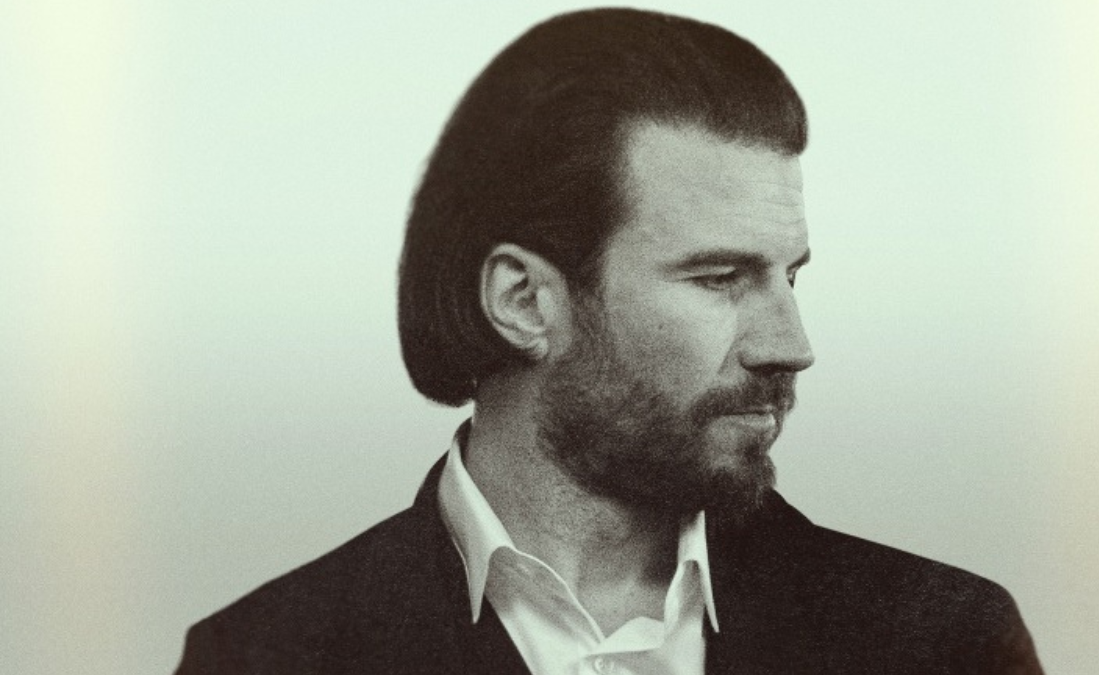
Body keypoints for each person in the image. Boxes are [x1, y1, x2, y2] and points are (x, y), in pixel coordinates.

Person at [176, 8, 1042, 674]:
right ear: (524, 301)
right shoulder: (263, 658)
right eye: (719, 278)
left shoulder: (943, 644)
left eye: (791, 277)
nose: (792, 343)